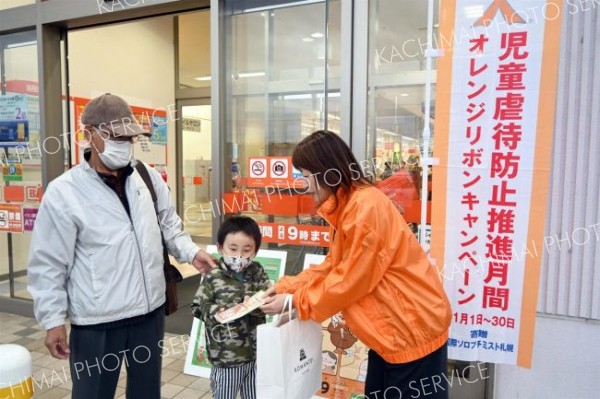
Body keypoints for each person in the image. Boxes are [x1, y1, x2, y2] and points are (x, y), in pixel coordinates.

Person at [27, 93, 217, 399]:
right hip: (97, 321)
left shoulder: (146, 176)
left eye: (130, 137)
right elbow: (48, 263)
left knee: (146, 393)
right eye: (116, 136)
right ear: (89, 134)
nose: (125, 144)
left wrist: (192, 252)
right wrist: (52, 321)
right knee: (92, 393)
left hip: (149, 313)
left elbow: (169, 226)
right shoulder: (64, 192)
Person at [261, 130, 452, 399]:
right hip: (395, 334)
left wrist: (296, 301)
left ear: (326, 172)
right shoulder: (352, 205)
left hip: (409, 333)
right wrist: (286, 288)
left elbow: (351, 280)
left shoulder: (363, 209)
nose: (306, 185)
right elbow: (334, 267)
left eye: (305, 175)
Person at [191, 216, 271, 399]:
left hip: (256, 354)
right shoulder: (214, 276)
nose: (239, 256)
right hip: (226, 358)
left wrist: (258, 302)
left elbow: (268, 294)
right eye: (233, 249)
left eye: (247, 250)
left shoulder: (257, 271)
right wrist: (216, 311)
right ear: (220, 247)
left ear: (255, 251)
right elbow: (197, 306)